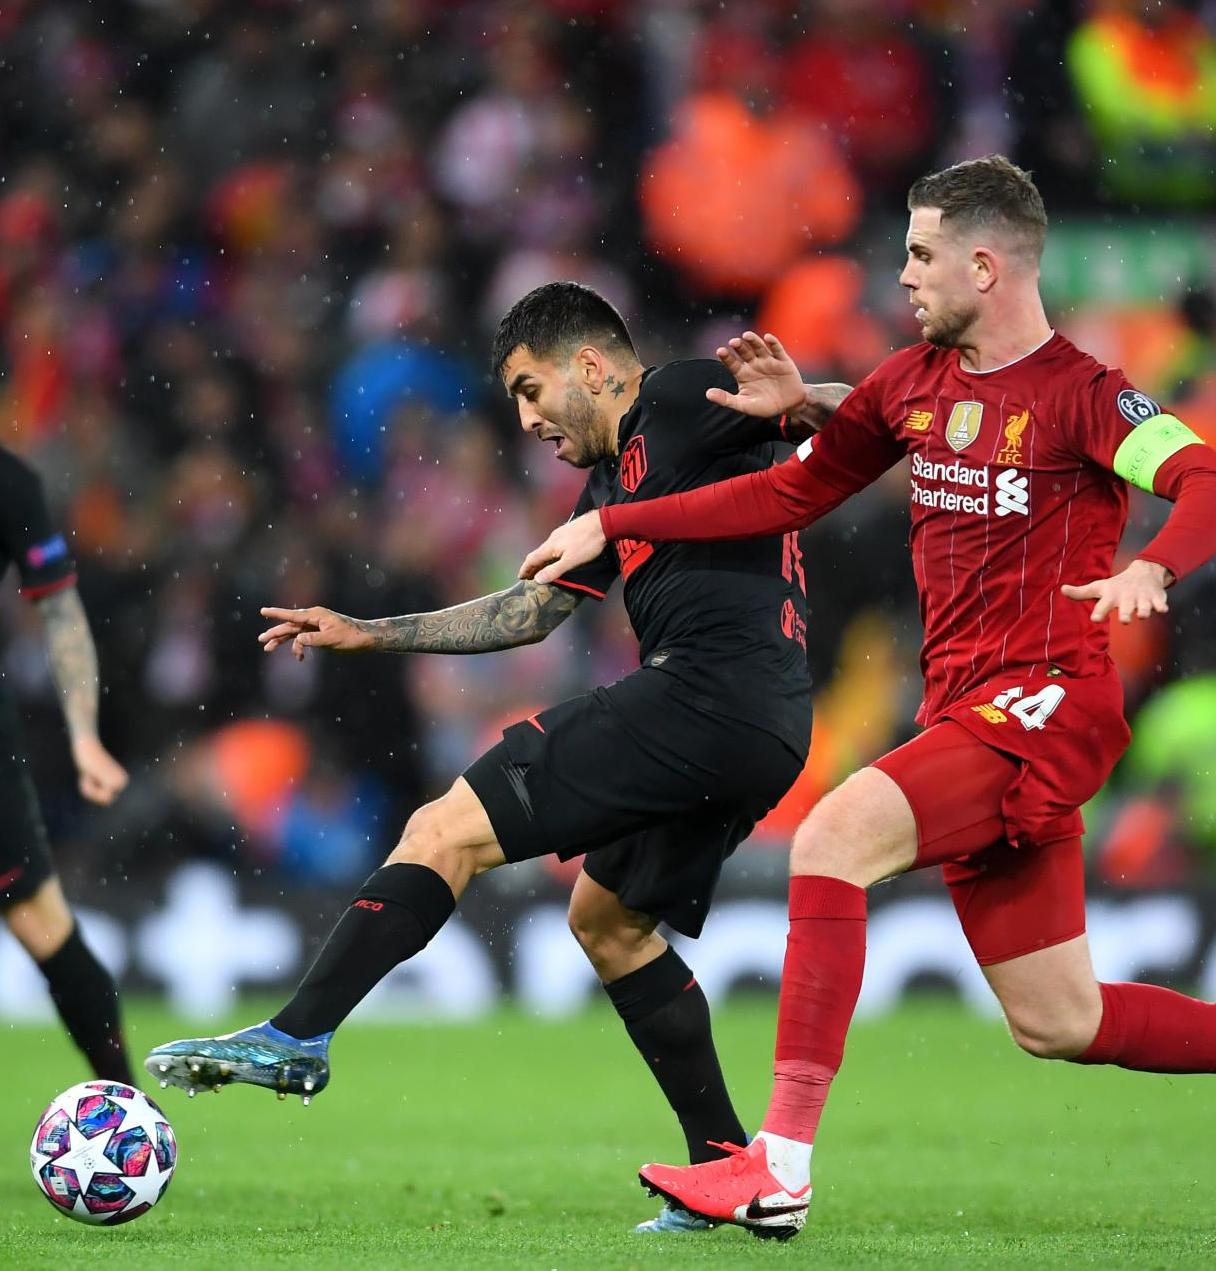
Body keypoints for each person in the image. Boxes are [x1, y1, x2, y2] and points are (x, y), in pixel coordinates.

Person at [522, 156, 1216, 1239]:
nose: (906, 272)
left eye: (923, 253)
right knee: (1058, 1018)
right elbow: (791, 488)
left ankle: (776, 1164)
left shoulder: (1087, 394)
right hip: (967, 711)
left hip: (1051, 700)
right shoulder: (910, 383)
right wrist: (624, 517)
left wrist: (1154, 566)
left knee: (832, 838)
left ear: (986, 262)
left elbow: (1212, 481)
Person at [148, 281, 818, 1234]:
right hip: (765, 721)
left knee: (443, 827)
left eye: (530, 388)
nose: (526, 418)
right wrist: (368, 633)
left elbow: (832, 417)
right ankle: (732, 1175)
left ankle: (297, 1033)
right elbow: (529, 610)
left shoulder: (682, 396)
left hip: (706, 693)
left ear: (591, 365)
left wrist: (807, 396)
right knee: (610, 924)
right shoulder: (615, 480)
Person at [0, 445, 133, 1085]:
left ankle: (128, 1116)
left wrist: (84, 735)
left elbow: (60, 611)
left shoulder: (9, 483)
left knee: (42, 924)